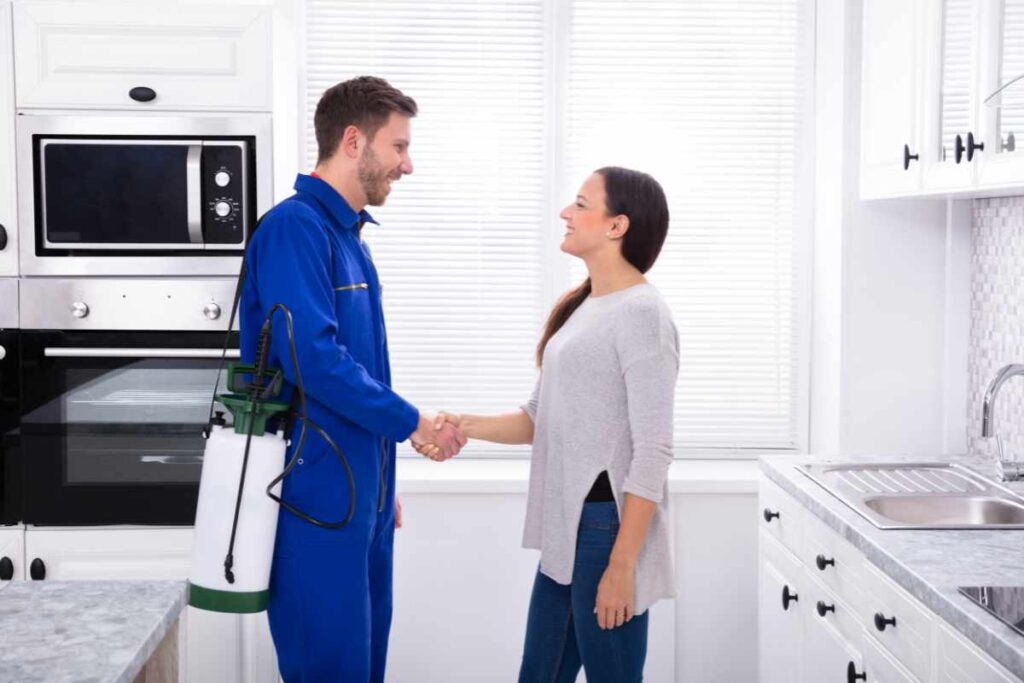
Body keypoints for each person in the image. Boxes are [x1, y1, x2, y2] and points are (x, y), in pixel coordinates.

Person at [240, 76, 465, 683]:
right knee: (329, 669)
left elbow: (362, 368)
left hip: (358, 492)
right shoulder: (295, 230)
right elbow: (314, 362)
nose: (408, 164)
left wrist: (382, 477)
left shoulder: (350, 238)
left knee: (363, 668)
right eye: (398, 147)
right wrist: (415, 422)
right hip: (313, 497)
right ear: (352, 140)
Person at [423, 167, 678, 682]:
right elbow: (539, 419)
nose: (566, 212)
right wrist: (462, 423)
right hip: (570, 527)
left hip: (606, 528)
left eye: (581, 204)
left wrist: (622, 565)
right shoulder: (585, 307)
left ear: (616, 226)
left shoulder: (642, 314)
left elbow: (654, 450)